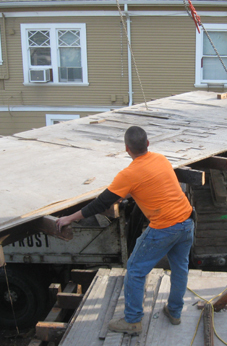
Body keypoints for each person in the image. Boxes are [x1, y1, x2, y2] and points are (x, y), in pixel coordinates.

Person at [56, 126, 194, 335]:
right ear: (148, 144)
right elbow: (153, 184)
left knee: (136, 270)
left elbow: (99, 204)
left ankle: (132, 321)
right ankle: (174, 312)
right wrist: (130, 193)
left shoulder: (128, 175)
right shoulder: (161, 159)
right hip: (187, 221)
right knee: (180, 268)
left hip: (164, 228)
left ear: (126, 149)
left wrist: (69, 217)